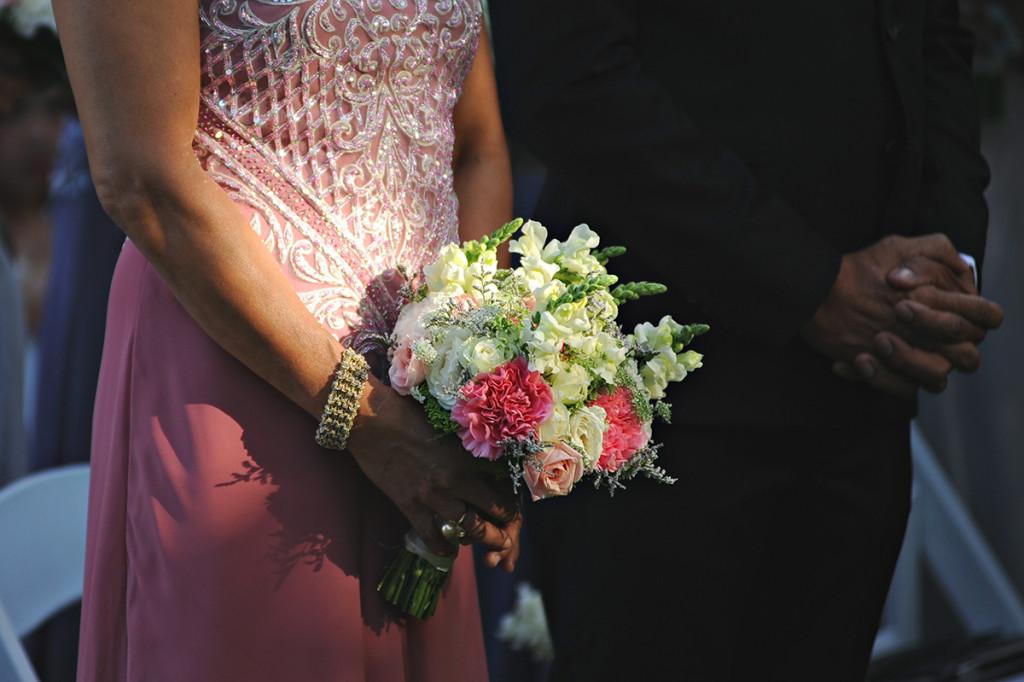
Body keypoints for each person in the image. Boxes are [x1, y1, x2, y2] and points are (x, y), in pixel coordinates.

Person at [489, 1, 1005, 680]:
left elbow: (932, 31)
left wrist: (944, 262)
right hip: (671, 401)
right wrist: (813, 287)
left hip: (865, 386)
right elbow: (569, 79)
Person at [51, 0, 519, 680]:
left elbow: (476, 145)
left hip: (429, 400)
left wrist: (483, 383)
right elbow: (142, 178)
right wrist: (364, 417)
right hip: (239, 377)